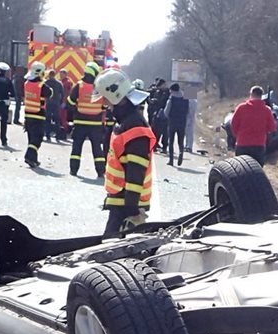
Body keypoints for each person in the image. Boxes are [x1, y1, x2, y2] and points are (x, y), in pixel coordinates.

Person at [94, 69, 155, 238]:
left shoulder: (135, 127)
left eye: (106, 100)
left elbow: (136, 172)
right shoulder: (125, 122)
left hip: (126, 205)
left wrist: (132, 210)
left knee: (110, 248)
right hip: (121, 202)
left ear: (116, 97)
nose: (105, 105)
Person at [66, 62, 107, 177]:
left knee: (76, 147)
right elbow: (105, 106)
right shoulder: (100, 88)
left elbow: (70, 103)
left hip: (80, 123)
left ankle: (73, 170)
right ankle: (100, 171)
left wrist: (76, 110)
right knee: (97, 148)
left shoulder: (79, 86)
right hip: (96, 124)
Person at [230, 85, 278, 166]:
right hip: (258, 145)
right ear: (261, 96)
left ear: (251, 94)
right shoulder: (267, 110)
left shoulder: (241, 108)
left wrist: (237, 136)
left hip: (242, 144)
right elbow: (272, 128)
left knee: (241, 169)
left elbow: (233, 124)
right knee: (256, 170)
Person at [22, 62, 52, 168]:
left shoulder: (26, 83)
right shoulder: (41, 85)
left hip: (28, 115)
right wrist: (45, 82)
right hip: (38, 115)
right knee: (38, 138)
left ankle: (33, 159)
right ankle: (28, 156)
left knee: (31, 138)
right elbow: (49, 93)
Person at [163, 83, 189, 166]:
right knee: (180, 141)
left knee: (171, 141)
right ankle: (181, 152)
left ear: (173, 90)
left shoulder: (171, 99)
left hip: (172, 122)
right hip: (182, 122)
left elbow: (166, 112)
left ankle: (171, 160)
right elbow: (188, 111)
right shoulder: (185, 98)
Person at [43, 70, 65, 142]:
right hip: (56, 104)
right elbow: (62, 94)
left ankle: (47, 135)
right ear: (55, 75)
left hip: (48, 103)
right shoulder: (59, 83)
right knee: (56, 120)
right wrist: (60, 102)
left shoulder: (46, 83)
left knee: (48, 119)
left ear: (49, 75)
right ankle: (57, 136)